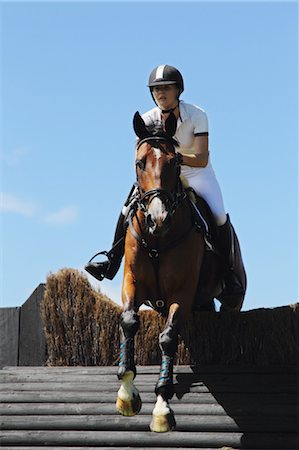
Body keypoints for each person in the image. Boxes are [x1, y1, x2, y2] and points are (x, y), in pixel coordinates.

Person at [85, 64, 245, 300]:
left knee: (219, 215)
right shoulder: (147, 119)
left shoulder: (197, 115)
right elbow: (139, 158)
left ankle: (229, 273)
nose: (161, 93)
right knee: (126, 208)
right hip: (159, 176)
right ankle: (112, 259)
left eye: (167, 88)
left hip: (195, 172)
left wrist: (175, 159)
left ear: (178, 90)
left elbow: (201, 158)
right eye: (156, 89)